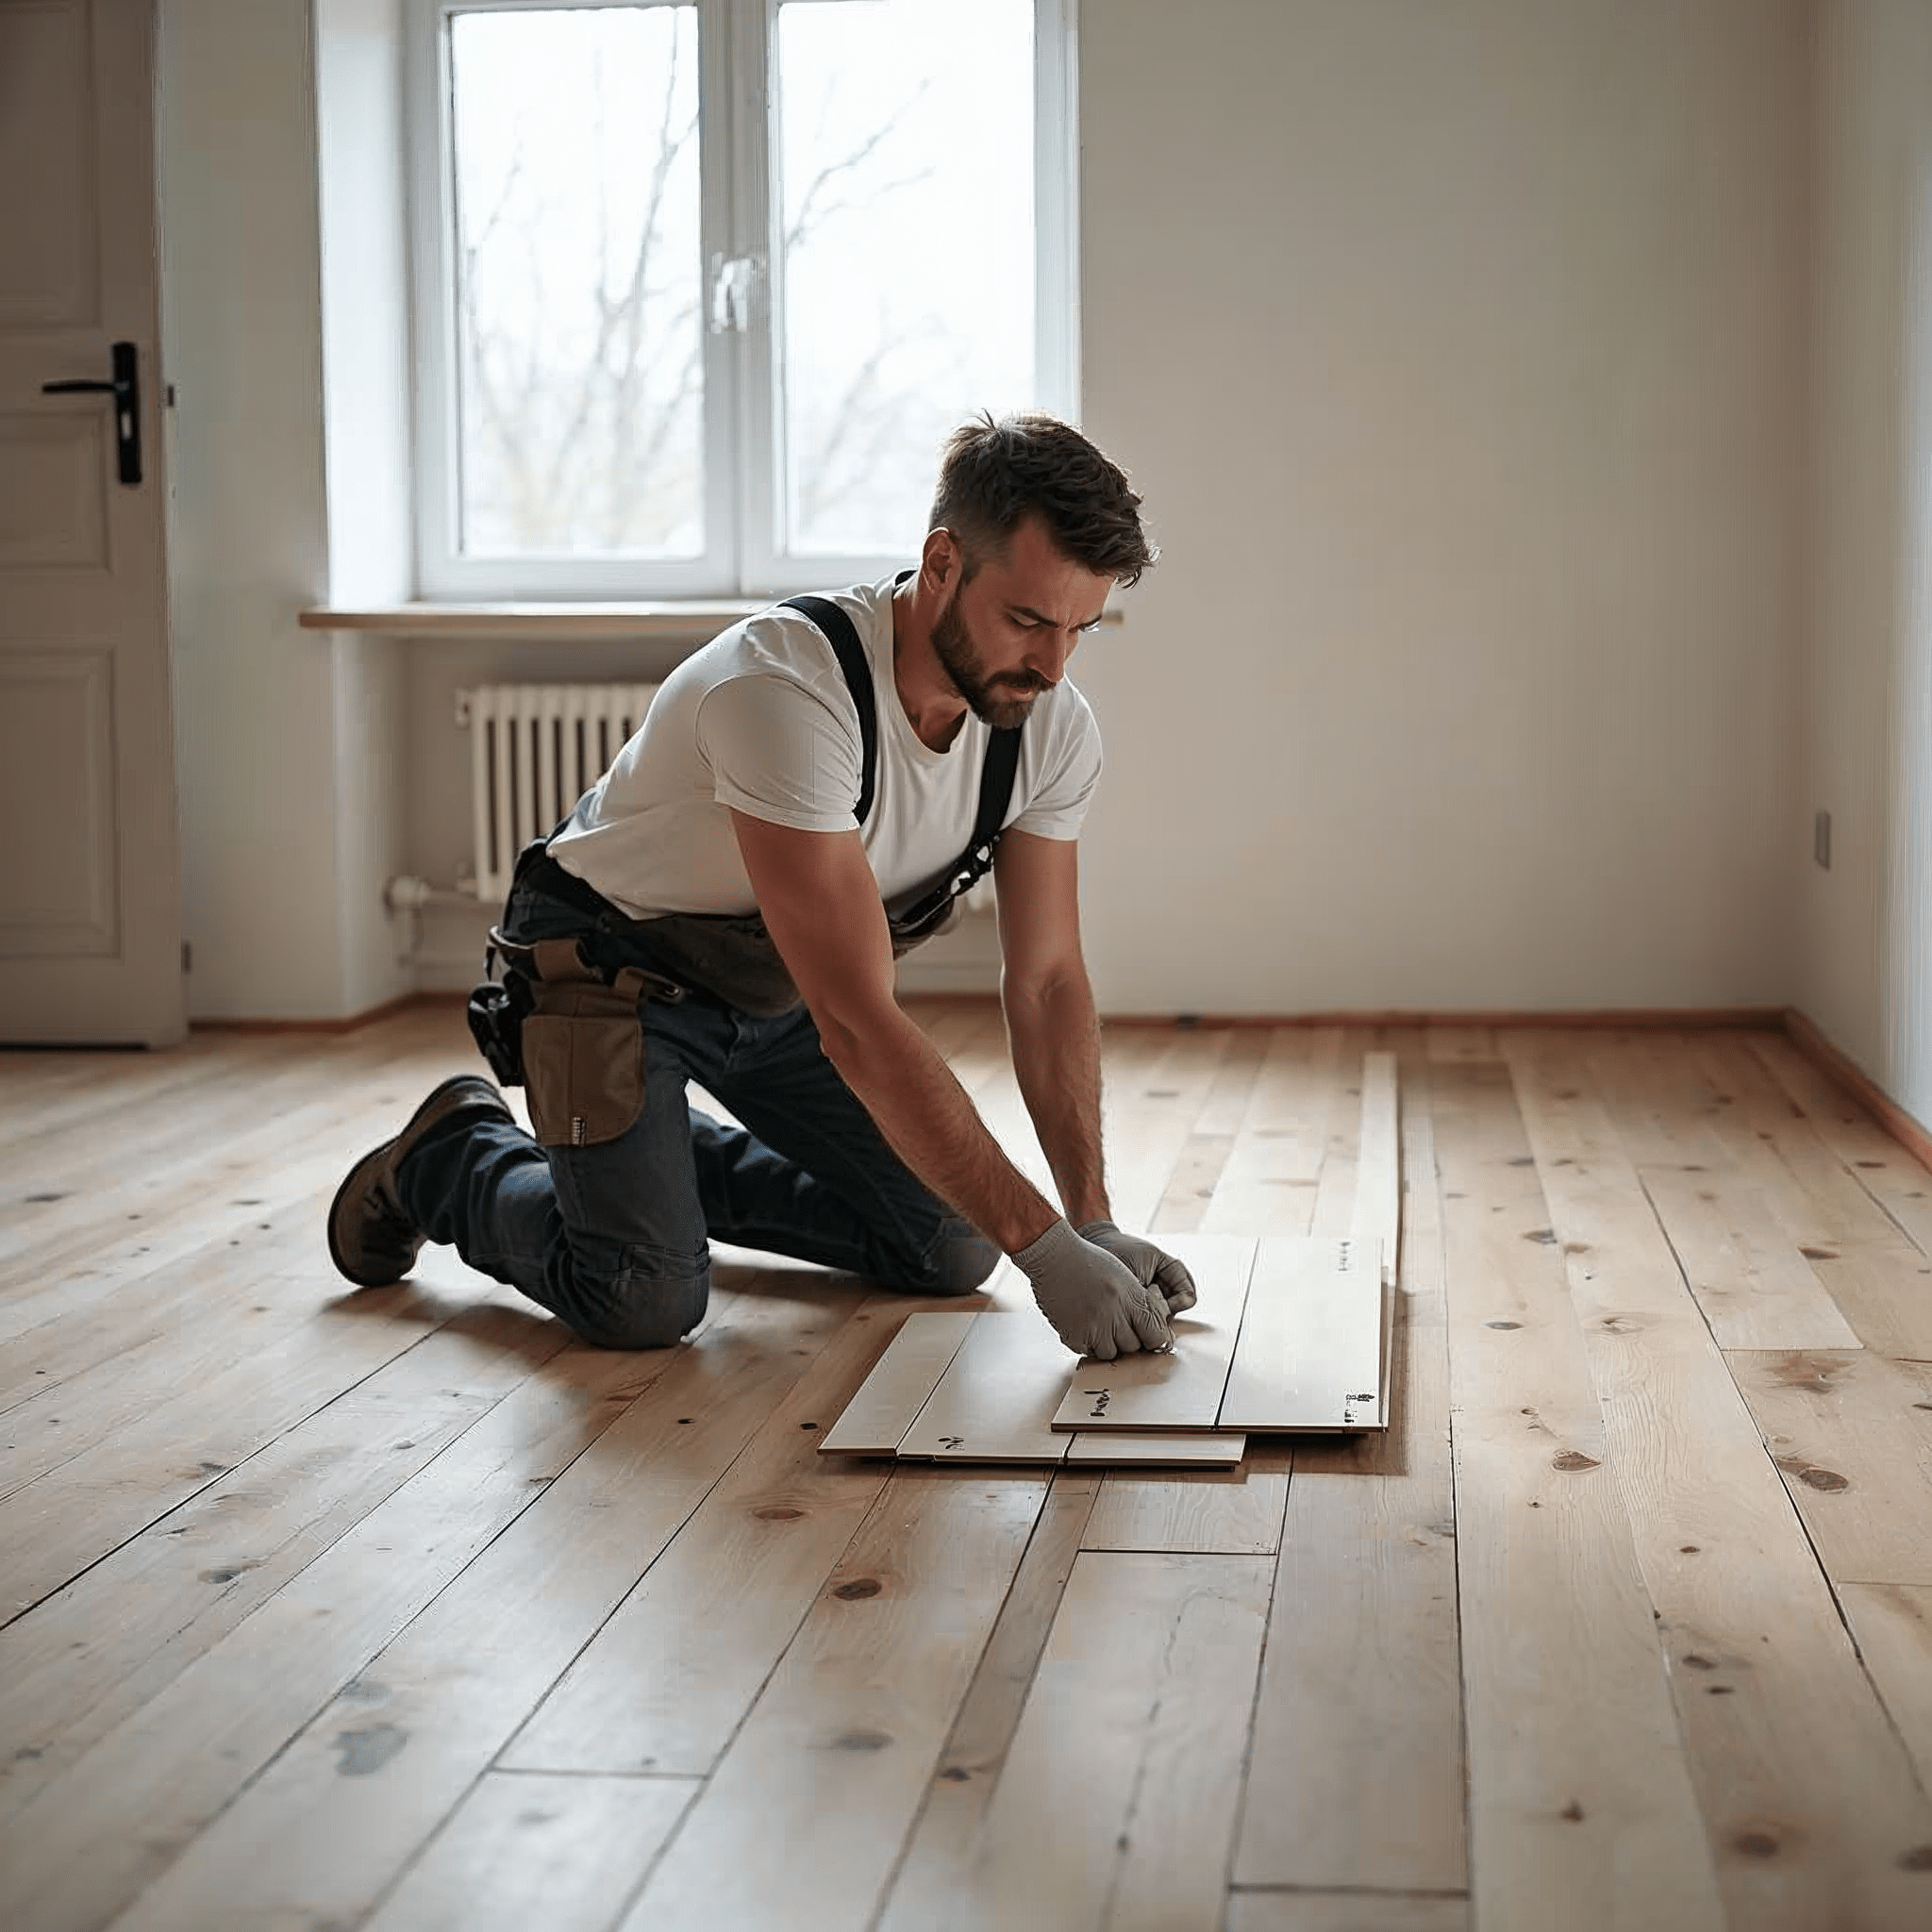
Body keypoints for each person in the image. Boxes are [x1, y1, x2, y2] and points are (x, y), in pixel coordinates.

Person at [327, 413, 1195, 1360]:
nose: (1052, 664)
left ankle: (632, 1155)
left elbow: (1047, 979)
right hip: (609, 969)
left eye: (1081, 628)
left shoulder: (1048, 726)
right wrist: (1042, 1248)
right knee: (643, 1295)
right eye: (1027, 620)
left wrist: (1089, 1220)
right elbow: (857, 1018)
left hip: (771, 988)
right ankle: (456, 1151)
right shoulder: (785, 689)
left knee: (950, 1241)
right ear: (941, 562)